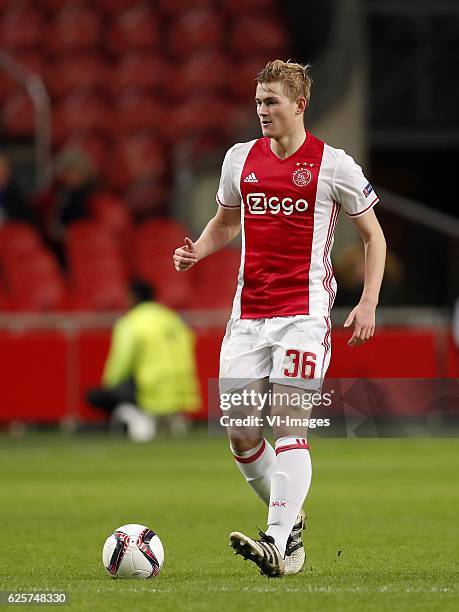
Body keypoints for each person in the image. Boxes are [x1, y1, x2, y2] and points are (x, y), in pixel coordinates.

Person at [173, 60, 386, 577]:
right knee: (242, 434)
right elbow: (225, 223)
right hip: (247, 318)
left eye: (272, 102)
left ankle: (276, 538)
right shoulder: (238, 159)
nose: (262, 111)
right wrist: (199, 250)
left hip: (304, 315)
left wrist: (368, 301)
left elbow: (373, 237)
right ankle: (290, 529)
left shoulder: (334, 165)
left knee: (291, 425)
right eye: (258, 102)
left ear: (299, 105)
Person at [87, 279, 200, 442]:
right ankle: (170, 420)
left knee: (97, 395)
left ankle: (139, 418)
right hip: (181, 387)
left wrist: (110, 384)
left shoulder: (131, 322)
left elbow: (121, 361)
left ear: (132, 297)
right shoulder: (172, 318)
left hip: (150, 388)